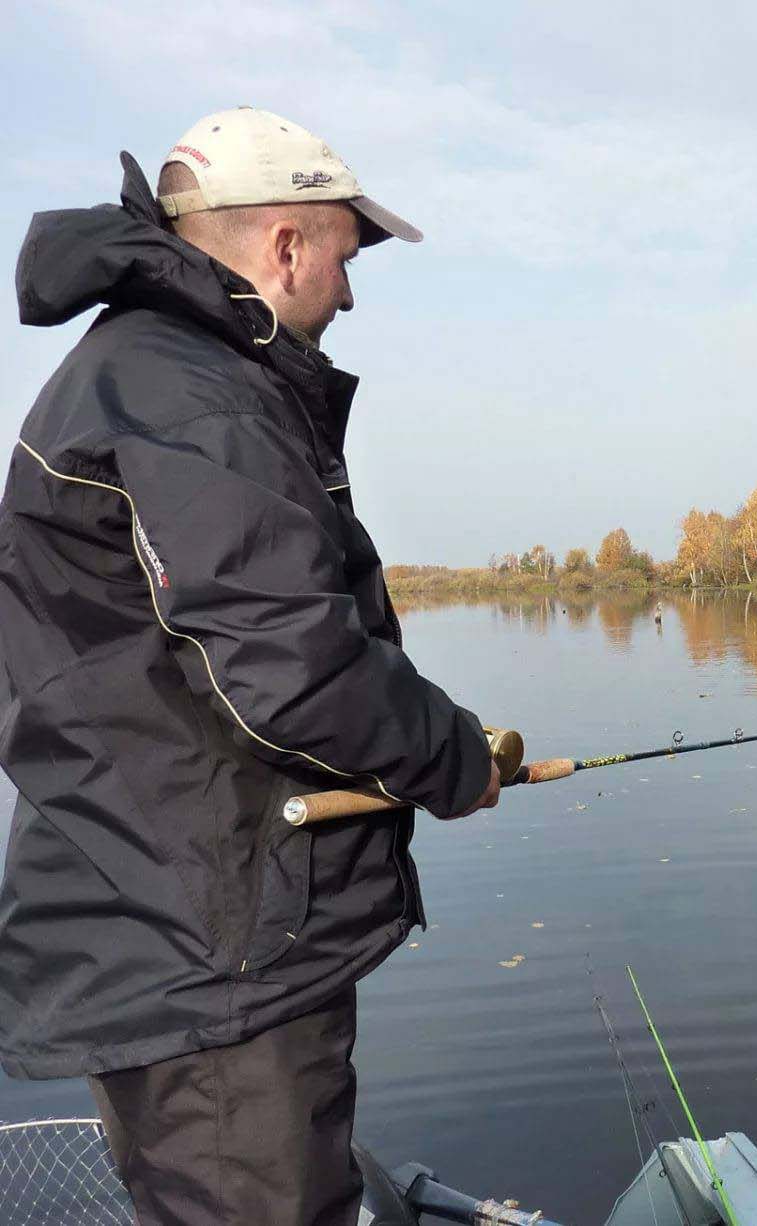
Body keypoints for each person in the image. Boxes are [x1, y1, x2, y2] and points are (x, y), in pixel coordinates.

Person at [0, 106, 500, 1225]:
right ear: (283, 246)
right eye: (343, 254)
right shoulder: (191, 390)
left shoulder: (155, 371)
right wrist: (453, 757)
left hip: (180, 925)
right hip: (210, 953)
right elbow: (293, 667)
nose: (352, 291)